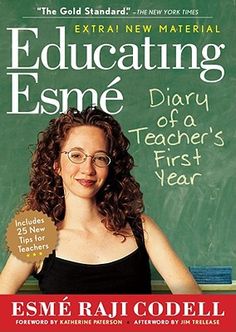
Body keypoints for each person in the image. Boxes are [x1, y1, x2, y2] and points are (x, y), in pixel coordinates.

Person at [0, 106, 201, 294]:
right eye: (76, 155)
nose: (88, 169)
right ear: (56, 166)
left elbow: (196, 307)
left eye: (100, 158)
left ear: (110, 166)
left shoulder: (143, 228)